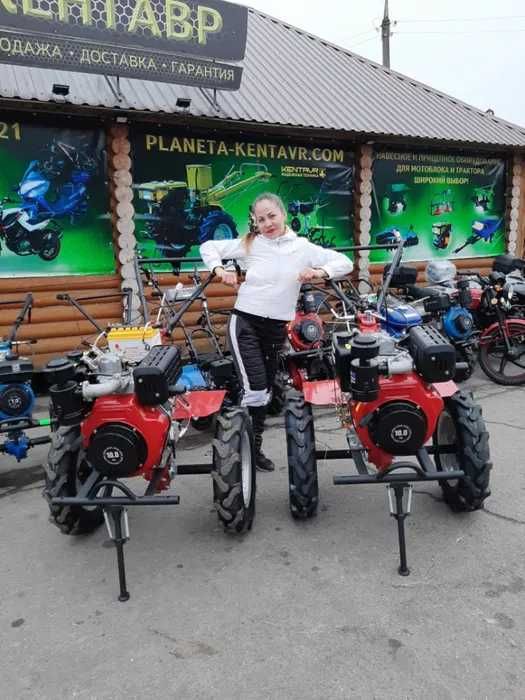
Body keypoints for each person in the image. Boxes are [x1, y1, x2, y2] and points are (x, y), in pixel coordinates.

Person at [200, 192, 353, 471]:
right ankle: (239, 453)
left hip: (274, 330)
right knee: (255, 388)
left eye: (271, 216)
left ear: (282, 214)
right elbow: (208, 247)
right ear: (255, 223)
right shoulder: (251, 244)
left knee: (266, 390)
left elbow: (345, 263)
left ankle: (250, 448)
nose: (267, 223)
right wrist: (219, 269)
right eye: (260, 219)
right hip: (245, 323)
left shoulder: (303, 247)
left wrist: (319, 272)